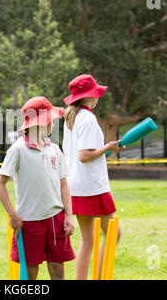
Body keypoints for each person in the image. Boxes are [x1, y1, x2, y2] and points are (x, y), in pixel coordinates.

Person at [0, 96, 75, 280]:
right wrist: (12, 215)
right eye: (51, 120)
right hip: (29, 222)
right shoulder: (17, 150)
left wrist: (69, 215)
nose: (53, 125)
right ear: (40, 122)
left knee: (58, 270)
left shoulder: (54, 149)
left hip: (56, 219)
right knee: (30, 274)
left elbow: (64, 184)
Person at [62, 74, 125, 280]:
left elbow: (79, 153)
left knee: (88, 241)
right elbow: (84, 155)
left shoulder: (71, 117)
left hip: (76, 186)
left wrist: (104, 150)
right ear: (90, 96)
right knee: (114, 233)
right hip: (92, 187)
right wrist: (107, 146)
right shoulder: (87, 118)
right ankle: (100, 278)